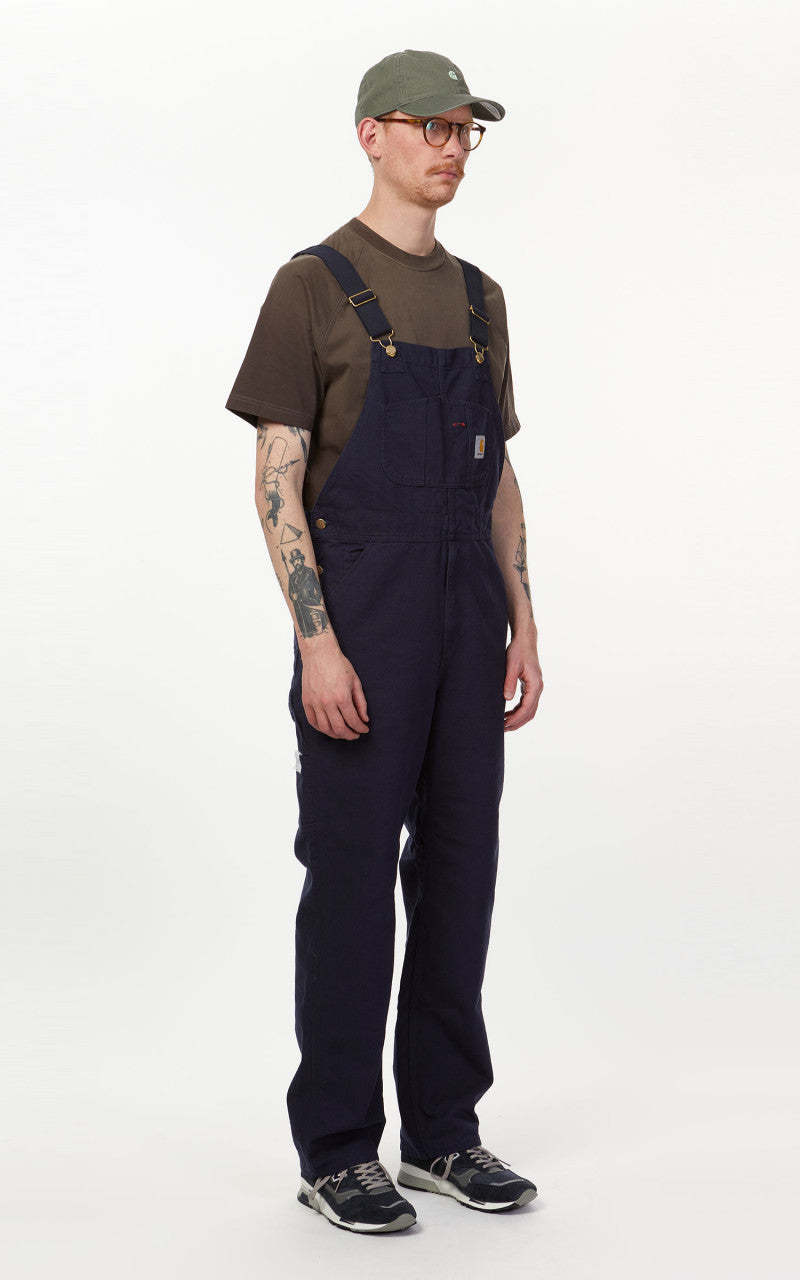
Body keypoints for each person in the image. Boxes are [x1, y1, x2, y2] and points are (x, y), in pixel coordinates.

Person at [224, 48, 543, 1234]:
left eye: (464, 129)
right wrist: (316, 644)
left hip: (467, 617)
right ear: (371, 133)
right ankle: (337, 1147)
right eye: (427, 126)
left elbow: (495, 472)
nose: (449, 147)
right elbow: (277, 475)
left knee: (459, 872)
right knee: (352, 881)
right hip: (363, 617)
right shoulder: (311, 285)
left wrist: (522, 618)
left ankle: (443, 1132)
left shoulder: (480, 298)